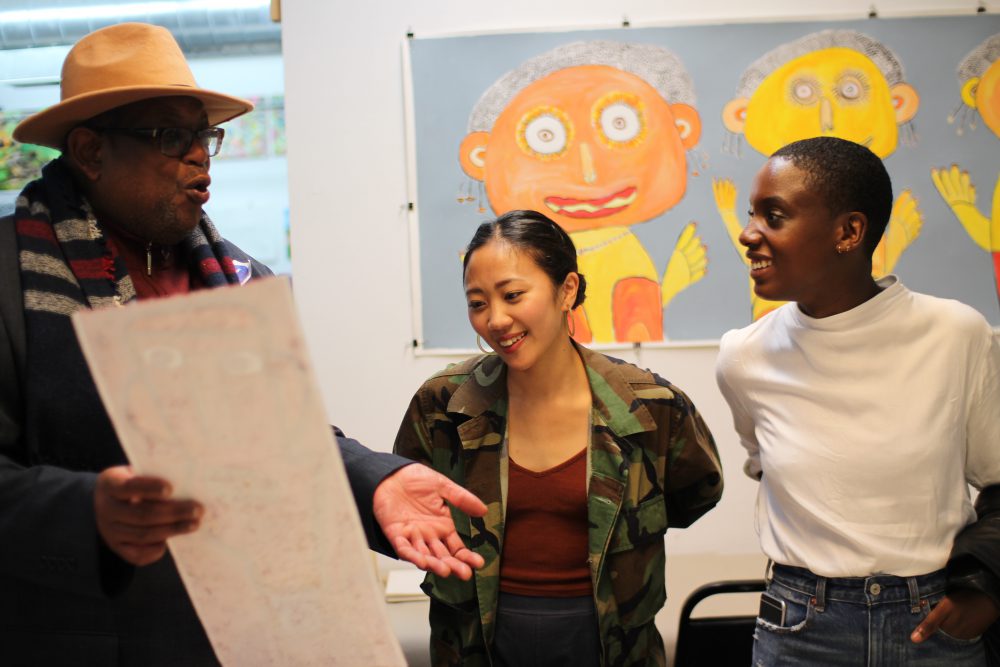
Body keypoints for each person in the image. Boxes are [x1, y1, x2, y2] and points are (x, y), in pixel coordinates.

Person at [0, 22, 484, 666]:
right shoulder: (12, 277)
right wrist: (88, 512)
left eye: (205, 136)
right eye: (170, 136)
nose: (199, 156)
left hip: (243, 641)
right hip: (81, 641)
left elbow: (286, 443)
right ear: (90, 150)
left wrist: (376, 481)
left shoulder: (239, 280)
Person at [715, 136, 1000, 665]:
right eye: (751, 213)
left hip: (934, 624)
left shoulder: (955, 334)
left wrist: (984, 595)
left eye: (773, 216)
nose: (747, 233)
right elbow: (766, 466)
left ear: (849, 232)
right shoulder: (744, 356)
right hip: (802, 627)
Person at [393, 209, 724, 666]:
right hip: (476, 640)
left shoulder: (651, 406)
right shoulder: (443, 404)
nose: (497, 319)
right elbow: (409, 506)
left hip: (611, 642)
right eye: (478, 302)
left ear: (566, 290)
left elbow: (695, 494)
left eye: (512, 295)